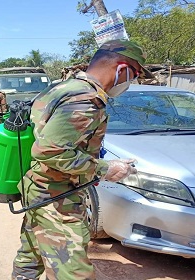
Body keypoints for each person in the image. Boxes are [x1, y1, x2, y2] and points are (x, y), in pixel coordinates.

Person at [12, 39, 152, 280]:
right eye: (135, 75)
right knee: (74, 272)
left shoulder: (63, 87)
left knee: (31, 256)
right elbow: (49, 150)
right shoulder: (86, 99)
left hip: (36, 186)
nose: (132, 82)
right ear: (122, 70)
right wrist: (105, 169)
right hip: (56, 196)